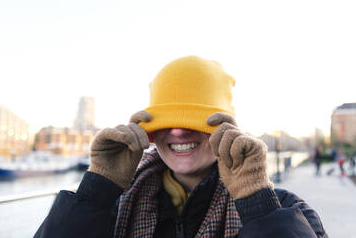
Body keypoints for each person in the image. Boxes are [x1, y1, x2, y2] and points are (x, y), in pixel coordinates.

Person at [34, 56, 328, 238]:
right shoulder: (112, 208)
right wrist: (97, 189)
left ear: (228, 128)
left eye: (197, 119)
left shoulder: (285, 209)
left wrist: (257, 204)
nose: (177, 129)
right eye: (166, 119)